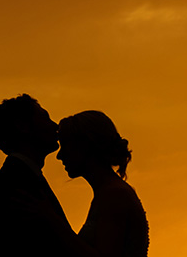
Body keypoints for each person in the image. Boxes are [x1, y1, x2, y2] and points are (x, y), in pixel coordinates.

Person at [0, 94, 81, 257]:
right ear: (22, 126)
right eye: (45, 118)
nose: (54, 125)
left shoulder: (20, 177)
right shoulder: (17, 183)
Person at [57, 110, 150, 257]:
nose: (59, 156)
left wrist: (54, 225)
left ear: (85, 146)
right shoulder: (108, 193)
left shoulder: (114, 195)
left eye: (65, 146)